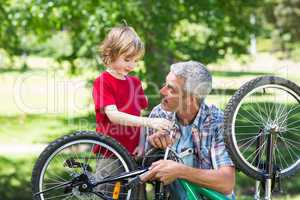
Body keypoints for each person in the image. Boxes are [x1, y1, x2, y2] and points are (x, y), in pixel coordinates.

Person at [143, 61, 235, 199]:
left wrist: (180, 171)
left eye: (171, 89)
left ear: (191, 100)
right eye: (165, 85)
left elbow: (226, 182)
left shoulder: (217, 123)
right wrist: (151, 148)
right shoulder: (159, 114)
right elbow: (148, 176)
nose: (162, 91)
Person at [93, 25, 172, 155]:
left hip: (133, 152)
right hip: (110, 152)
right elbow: (114, 116)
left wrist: (141, 144)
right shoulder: (103, 82)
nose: (132, 65)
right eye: (127, 59)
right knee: (111, 176)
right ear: (110, 53)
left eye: (136, 60)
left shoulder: (135, 83)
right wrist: (150, 122)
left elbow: (138, 117)